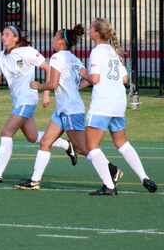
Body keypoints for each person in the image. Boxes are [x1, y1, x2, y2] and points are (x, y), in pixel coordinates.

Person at [16, 25, 121, 190]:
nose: (52, 39)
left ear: (60, 41)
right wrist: (74, 87)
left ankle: (111, 170)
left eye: (54, 36)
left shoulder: (57, 58)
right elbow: (90, 79)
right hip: (63, 109)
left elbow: (53, 83)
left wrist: (39, 86)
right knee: (45, 142)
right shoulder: (73, 58)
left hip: (71, 111)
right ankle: (34, 181)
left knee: (84, 148)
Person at [0, 26, 74, 184]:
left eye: (7, 35)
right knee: (32, 137)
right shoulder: (0, 57)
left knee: (6, 132)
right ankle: (66, 144)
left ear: (16, 38)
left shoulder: (27, 51)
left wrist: (45, 93)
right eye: (3, 34)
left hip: (28, 100)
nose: (3, 37)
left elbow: (48, 68)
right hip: (18, 101)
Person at [82, 18, 158, 196]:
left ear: (96, 33)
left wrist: (81, 72)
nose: (88, 30)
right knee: (121, 143)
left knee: (91, 146)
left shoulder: (96, 52)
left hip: (103, 103)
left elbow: (95, 79)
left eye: (90, 28)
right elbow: (124, 79)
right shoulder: (113, 51)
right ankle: (144, 177)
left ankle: (109, 186)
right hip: (118, 102)